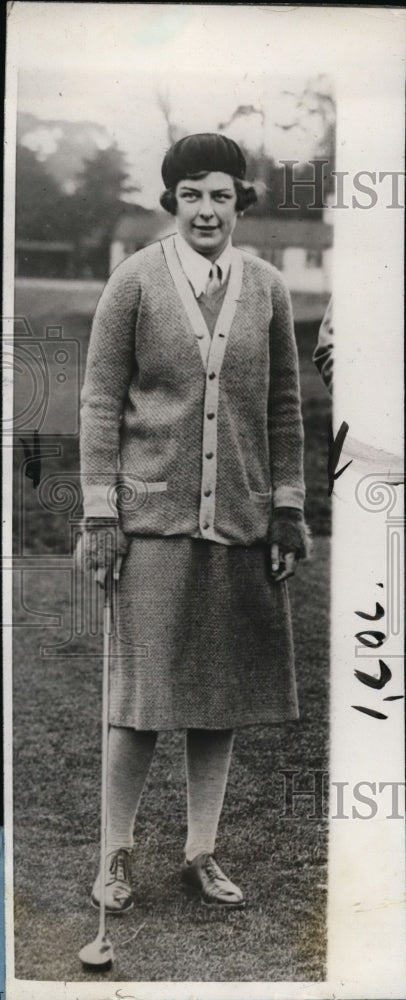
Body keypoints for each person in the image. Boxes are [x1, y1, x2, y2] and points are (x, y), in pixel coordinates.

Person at [78, 133, 310, 914]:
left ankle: (200, 852)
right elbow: (99, 402)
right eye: (190, 195)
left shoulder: (268, 288)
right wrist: (101, 514)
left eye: (219, 195)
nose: (205, 210)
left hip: (240, 523)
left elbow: (284, 406)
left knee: (221, 700)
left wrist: (287, 507)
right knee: (140, 702)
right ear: (171, 200)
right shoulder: (134, 281)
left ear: (240, 200)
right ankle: (115, 855)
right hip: (150, 523)